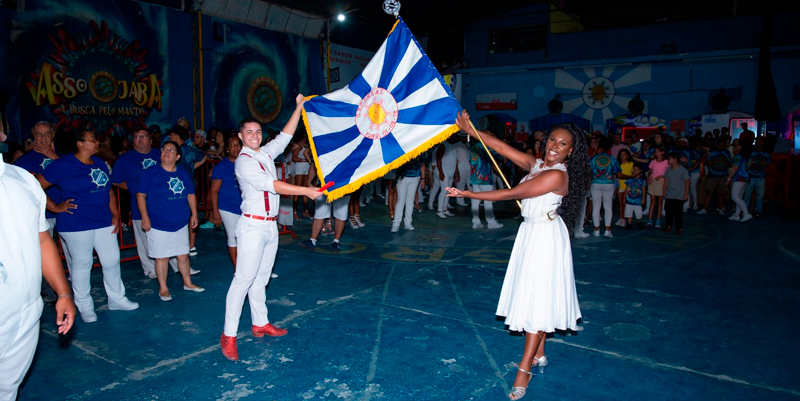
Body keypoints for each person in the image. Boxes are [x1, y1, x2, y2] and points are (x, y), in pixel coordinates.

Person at [448, 111, 584, 401]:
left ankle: (524, 370)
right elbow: (499, 148)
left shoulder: (557, 174)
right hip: (531, 233)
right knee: (537, 293)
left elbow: (516, 193)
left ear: (570, 152)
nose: (555, 146)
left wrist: (471, 196)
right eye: (552, 140)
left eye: (563, 144)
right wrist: (472, 130)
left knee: (537, 298)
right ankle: (540, 354)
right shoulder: (537, 164)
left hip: (545, 237)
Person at [221, 96, 323, 361]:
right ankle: (228, 335)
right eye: (249, 132)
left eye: (258, 131)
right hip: (252, 225)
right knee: (243, 280)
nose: (255, 135)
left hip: (269, 226)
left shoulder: (265, 153)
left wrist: (299, 108)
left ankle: (260, 323)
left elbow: (286, 136)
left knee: (261, 280)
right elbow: (274, 186)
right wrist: (306, 191)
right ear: (241, 137)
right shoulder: (243, 161)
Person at [37, 128, 140, 323]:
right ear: (80, 144)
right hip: (76, 223)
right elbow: (35, 185)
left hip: (103, 220)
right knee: (83, 264)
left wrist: (116, 213)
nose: (97, 142)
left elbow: (108, 191)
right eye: (92, 139)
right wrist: (55, 206)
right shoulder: (62, 165)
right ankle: (84, 306)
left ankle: (116, 299)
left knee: (111, 260)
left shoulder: (100, 163)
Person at [0, 157, 75, 401]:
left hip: (26, 313)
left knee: (8, 387)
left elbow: (42, 240)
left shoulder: (23, 179)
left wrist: (63, 293)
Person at [136, 141, 204, 301]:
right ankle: (163, 288)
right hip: (158, 223)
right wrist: (144, 217)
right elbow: (141, 195)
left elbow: (190, 194)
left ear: (178, 156)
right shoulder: (151, 172)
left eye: (171, 150)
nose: (166, 152)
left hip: (180, 223)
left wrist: (194, 214)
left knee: (183, 255)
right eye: (164, 149)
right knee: (162, 257)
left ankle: (188, 282)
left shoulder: (182, 172)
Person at [111, 126, 169, 279]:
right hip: (139, 204)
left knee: (167, 233)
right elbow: (116, 181)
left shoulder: (161, 154)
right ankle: (150, 268)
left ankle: (173, 263)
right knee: (144, 238)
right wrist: (133, 189)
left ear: (150, 140)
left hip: (162, 203)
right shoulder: (124, 159)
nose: (140, 139)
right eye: (136, 137)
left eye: (143, 136)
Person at [169, 125, 207, 256]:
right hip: (190, 185)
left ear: (177, 136)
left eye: (172, 134)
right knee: (192, 215)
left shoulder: (176, 151)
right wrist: (193, 167)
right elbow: (203, 157)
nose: (170, 137)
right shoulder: (190, 149)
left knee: (179, 215)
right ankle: (191, 246)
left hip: (178, 188)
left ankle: (178, 244)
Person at [298, 162, 350, 253]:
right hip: (325, 185)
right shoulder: (324, 147)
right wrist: (309, 182)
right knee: (320, 214)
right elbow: (315, 163)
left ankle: (336, 241)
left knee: (340, 215)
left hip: (343, 186)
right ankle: (313, 240)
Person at [210, 135, 244, 269]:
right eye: (232, 145)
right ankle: (238, 271)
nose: (236, 147)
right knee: (233, 237)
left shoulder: (247, 162)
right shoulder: (222, 166)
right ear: (228, 149)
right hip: (227, 207)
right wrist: (215, 212)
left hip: (245, 206)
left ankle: (253, 269)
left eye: (238, 145)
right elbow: (213, 191)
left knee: (248, 239)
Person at [589, 139, 621, 237]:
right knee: (608, 207)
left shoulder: (593, 159)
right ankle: (607, 230)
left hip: (595, 183)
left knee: (596, 207)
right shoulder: (612, 159)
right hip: (609, 184)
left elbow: (588, 171)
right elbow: (618, 173)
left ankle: (597, 230)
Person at [469, 140, 503, 230]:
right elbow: (495, 158)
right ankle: (491, 222)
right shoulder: (485, 147)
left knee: (475, 201)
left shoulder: (473, 147)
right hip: (485, 178)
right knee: (488, 200)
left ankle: (476, 222)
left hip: (475, 177)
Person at [698, 137, 732, 215]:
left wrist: (726, 161)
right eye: (720, 146)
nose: (722, 147)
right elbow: (707, 163)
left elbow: (730, 164)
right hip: (712, 175)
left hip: (723, 175)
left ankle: (720, 208)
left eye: (723, 146)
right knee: (709, 192)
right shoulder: (712, 152)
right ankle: (705, 208)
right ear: (717, 145)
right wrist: (715, 161)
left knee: (721, 193)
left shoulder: (727, 152)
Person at [391, 156, 425, 232]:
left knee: (410, 200)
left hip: (416, 177)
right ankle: (396, 224)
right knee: (401, 200)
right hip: (403, 177)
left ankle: (408, 223)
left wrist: (423, 178)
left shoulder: (420, 150)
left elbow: (422, 163)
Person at [662, 152, 690, 233]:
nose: (668, 160)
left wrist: (685, 194)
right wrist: (663, 191)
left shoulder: (683, 170)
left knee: (678, 212)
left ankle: (679, 228)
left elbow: (687, 182)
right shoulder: (668, 169)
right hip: (669, 194)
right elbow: (666, 181)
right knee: (668, 211)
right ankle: (668, 225)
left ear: (675, 160)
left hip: (679, 194)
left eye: (669, 159)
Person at [744, 137, 770, 217]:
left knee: (759, 195)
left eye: (760, 141)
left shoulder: (766, 153)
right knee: (747, 195)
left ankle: (758, 210)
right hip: (750, 175)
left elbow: (768, 164)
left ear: (763, 143)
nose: (759, 143)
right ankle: (745, 209)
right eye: (757, 141)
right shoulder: (751, 151)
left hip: (761, 176)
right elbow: (746, 162)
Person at [727, 143, 753, 222]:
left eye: (737, 145)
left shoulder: (738, 157)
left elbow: (735, 168)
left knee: (734, 197)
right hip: (745, 178)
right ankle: (736, 215)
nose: (735, 146)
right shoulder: (747, 157)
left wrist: (728, 179)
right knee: (739, 197)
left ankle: (746, 213)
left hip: (739, 178)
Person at [435, 135, 459, 219]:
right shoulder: (443, 145)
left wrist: (457, 173)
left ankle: (445, 209)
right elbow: (438, 159)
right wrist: (441, 172)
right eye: (455, 137)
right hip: (443, 172)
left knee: (448, 192)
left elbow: (455, 161)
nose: (456, 138)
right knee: (443, 191)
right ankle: (439, 211)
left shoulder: (453, 146)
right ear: (449, 137)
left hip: (450, 172)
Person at [647, 146, 668, 228]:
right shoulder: (653, 162)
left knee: (660, 202)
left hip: (661, 182)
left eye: (658, 151)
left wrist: (662, 176)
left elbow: (668, 173)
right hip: (653, 182)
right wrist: (649, 177)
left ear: (662, 152)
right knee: (653, 202)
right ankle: (649, 219)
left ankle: (658, 220)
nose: (656, 153)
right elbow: (650, 172)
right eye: (655, 152)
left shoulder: (666, 162)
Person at [623, 164, 647, 229]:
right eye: (634, 169)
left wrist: (643, 199)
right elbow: (627, 188)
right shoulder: (630, 178)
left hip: (638, 200)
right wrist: (624, 197)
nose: (635, 171)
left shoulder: (642, 180)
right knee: (628, 211)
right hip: (629, 199)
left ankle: (639, 222)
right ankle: (629, 223)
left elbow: (644, 189)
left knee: (638, 212)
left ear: (640, 171)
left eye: (637, 170)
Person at [615, 149, 634, 227]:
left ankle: (624, 219)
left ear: (628, 155)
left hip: (628, 187)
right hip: (620, 186)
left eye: (624, 154)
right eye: (621, 155)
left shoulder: (631, 164)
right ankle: (621, 217)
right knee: (620, 203)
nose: (623, 156)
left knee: (625, 203)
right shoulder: (617, 164)